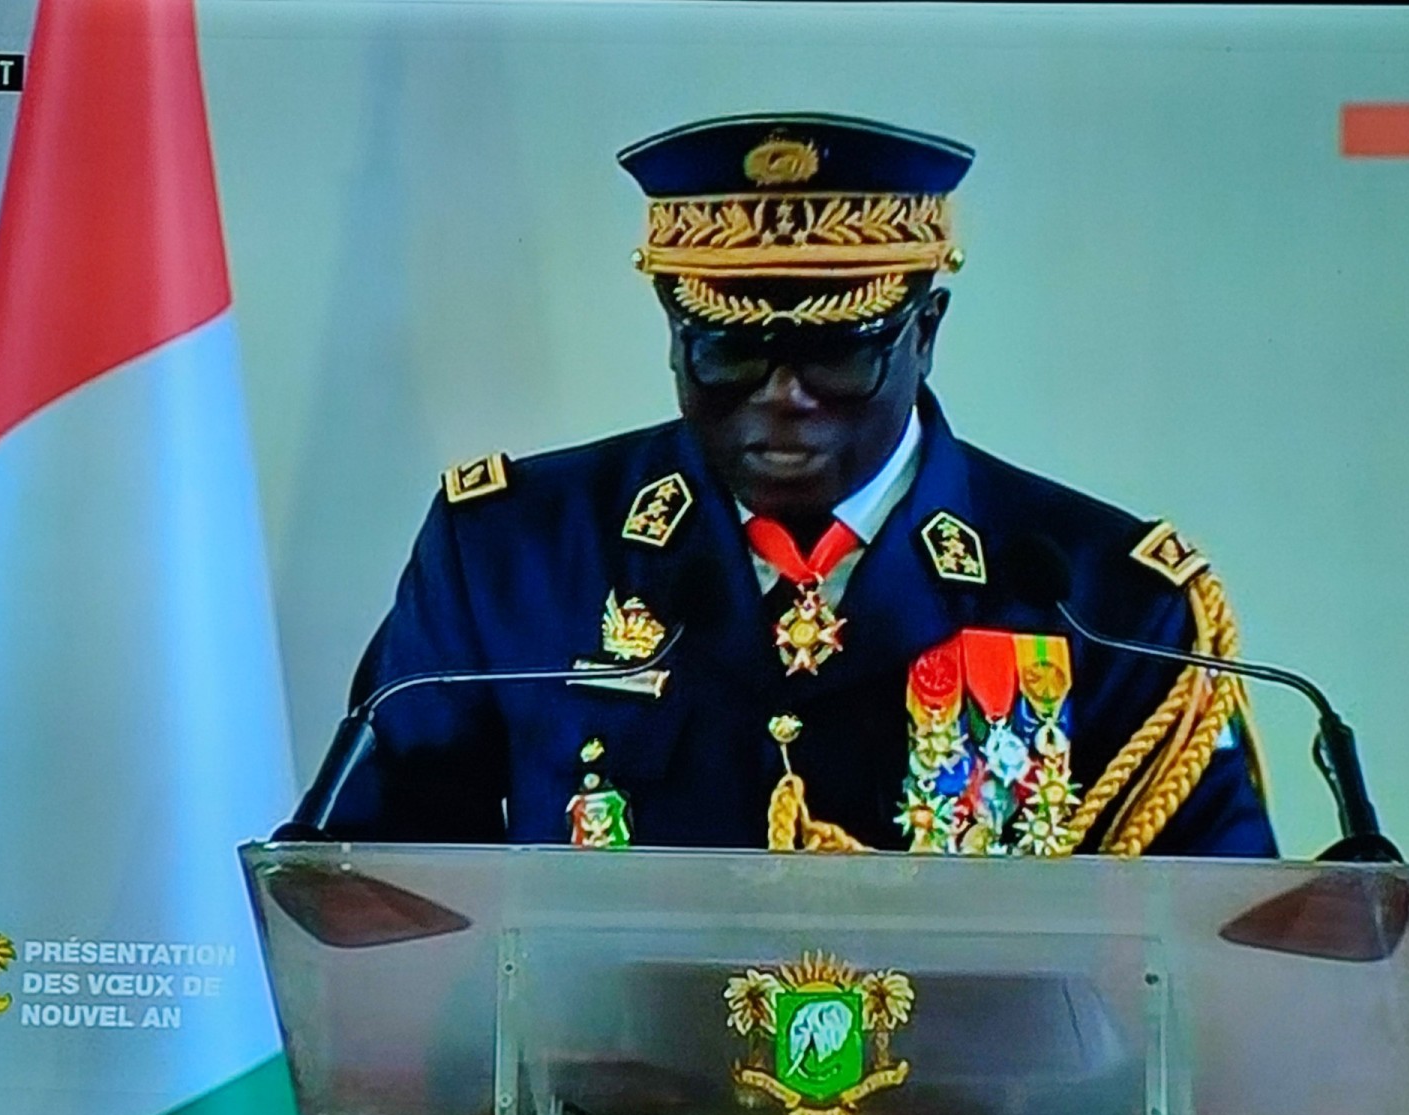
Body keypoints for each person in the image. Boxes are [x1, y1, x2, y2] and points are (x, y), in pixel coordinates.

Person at [306, 112, 1275, 857]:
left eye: (837, 353)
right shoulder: (512, 553)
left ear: (926, 331)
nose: (783, 397)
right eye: (729, 350)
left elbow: (1217, 951)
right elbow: (369, 887)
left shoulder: (1108, 598)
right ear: (673, 332)